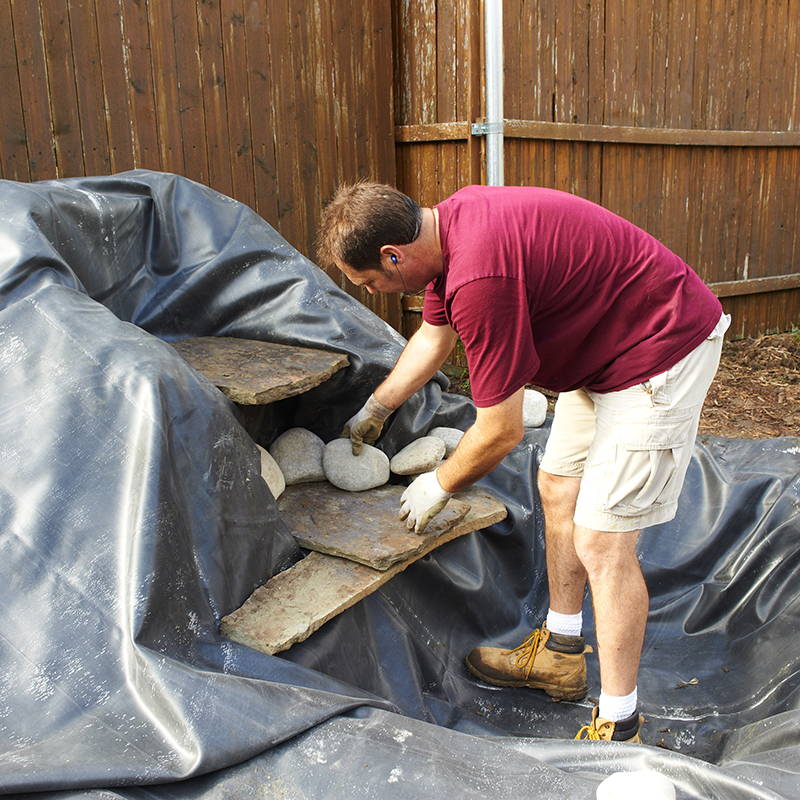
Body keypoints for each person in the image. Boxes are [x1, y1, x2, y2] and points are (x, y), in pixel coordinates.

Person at [316, 181, 729, 743]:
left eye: (371, 282)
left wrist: (440, 483)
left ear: (394, 255)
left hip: (661, 349)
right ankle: (560, 654)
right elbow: (433, 338)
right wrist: (376, 408)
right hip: (605, 354)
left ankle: (620, 722)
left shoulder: (480, 278)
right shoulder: (444, 232)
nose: (378, 293)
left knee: (602, 542)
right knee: (558, 485)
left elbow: (501, 430)